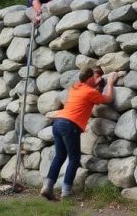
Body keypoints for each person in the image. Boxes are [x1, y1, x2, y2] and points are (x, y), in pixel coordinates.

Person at [41, 67, 121, 200]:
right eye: (96, 77)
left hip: (58, 123)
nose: (99, 80)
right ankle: (66, 193)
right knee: (74, 159)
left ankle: (47, 187)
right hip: (69, 126)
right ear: (89, 78)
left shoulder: (75, 87)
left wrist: (97, 83)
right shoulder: (90, 92)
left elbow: (86, 96)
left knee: (59, 156)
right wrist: (110, 82)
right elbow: (108, 99)